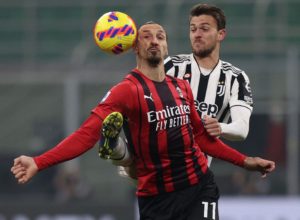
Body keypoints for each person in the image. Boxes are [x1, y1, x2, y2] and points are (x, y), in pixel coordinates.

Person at [11, 22, 275, 220]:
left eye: (160, 36)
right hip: (156, 199)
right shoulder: (127, 90)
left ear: (167, 46)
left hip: (198, 186)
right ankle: (118, 150)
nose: (154, 41)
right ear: (134, 46)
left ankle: (119, 151)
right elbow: (85, 135)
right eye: (146, 37)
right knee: (133, 150)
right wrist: (38, 161)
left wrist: (245, 162)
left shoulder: (181, 87)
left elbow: (202, 139)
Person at [102, 4, 254, 168]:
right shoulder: (172, 66)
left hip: (195, 171)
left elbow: (242, 129)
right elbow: (137, 86)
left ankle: (118, 149)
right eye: (193, 29)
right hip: (158, 156)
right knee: (136, 165)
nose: (197, 34)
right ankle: (116, 146)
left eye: (204, 29)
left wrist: (220, 127)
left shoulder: (236, 78)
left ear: (221, 34)